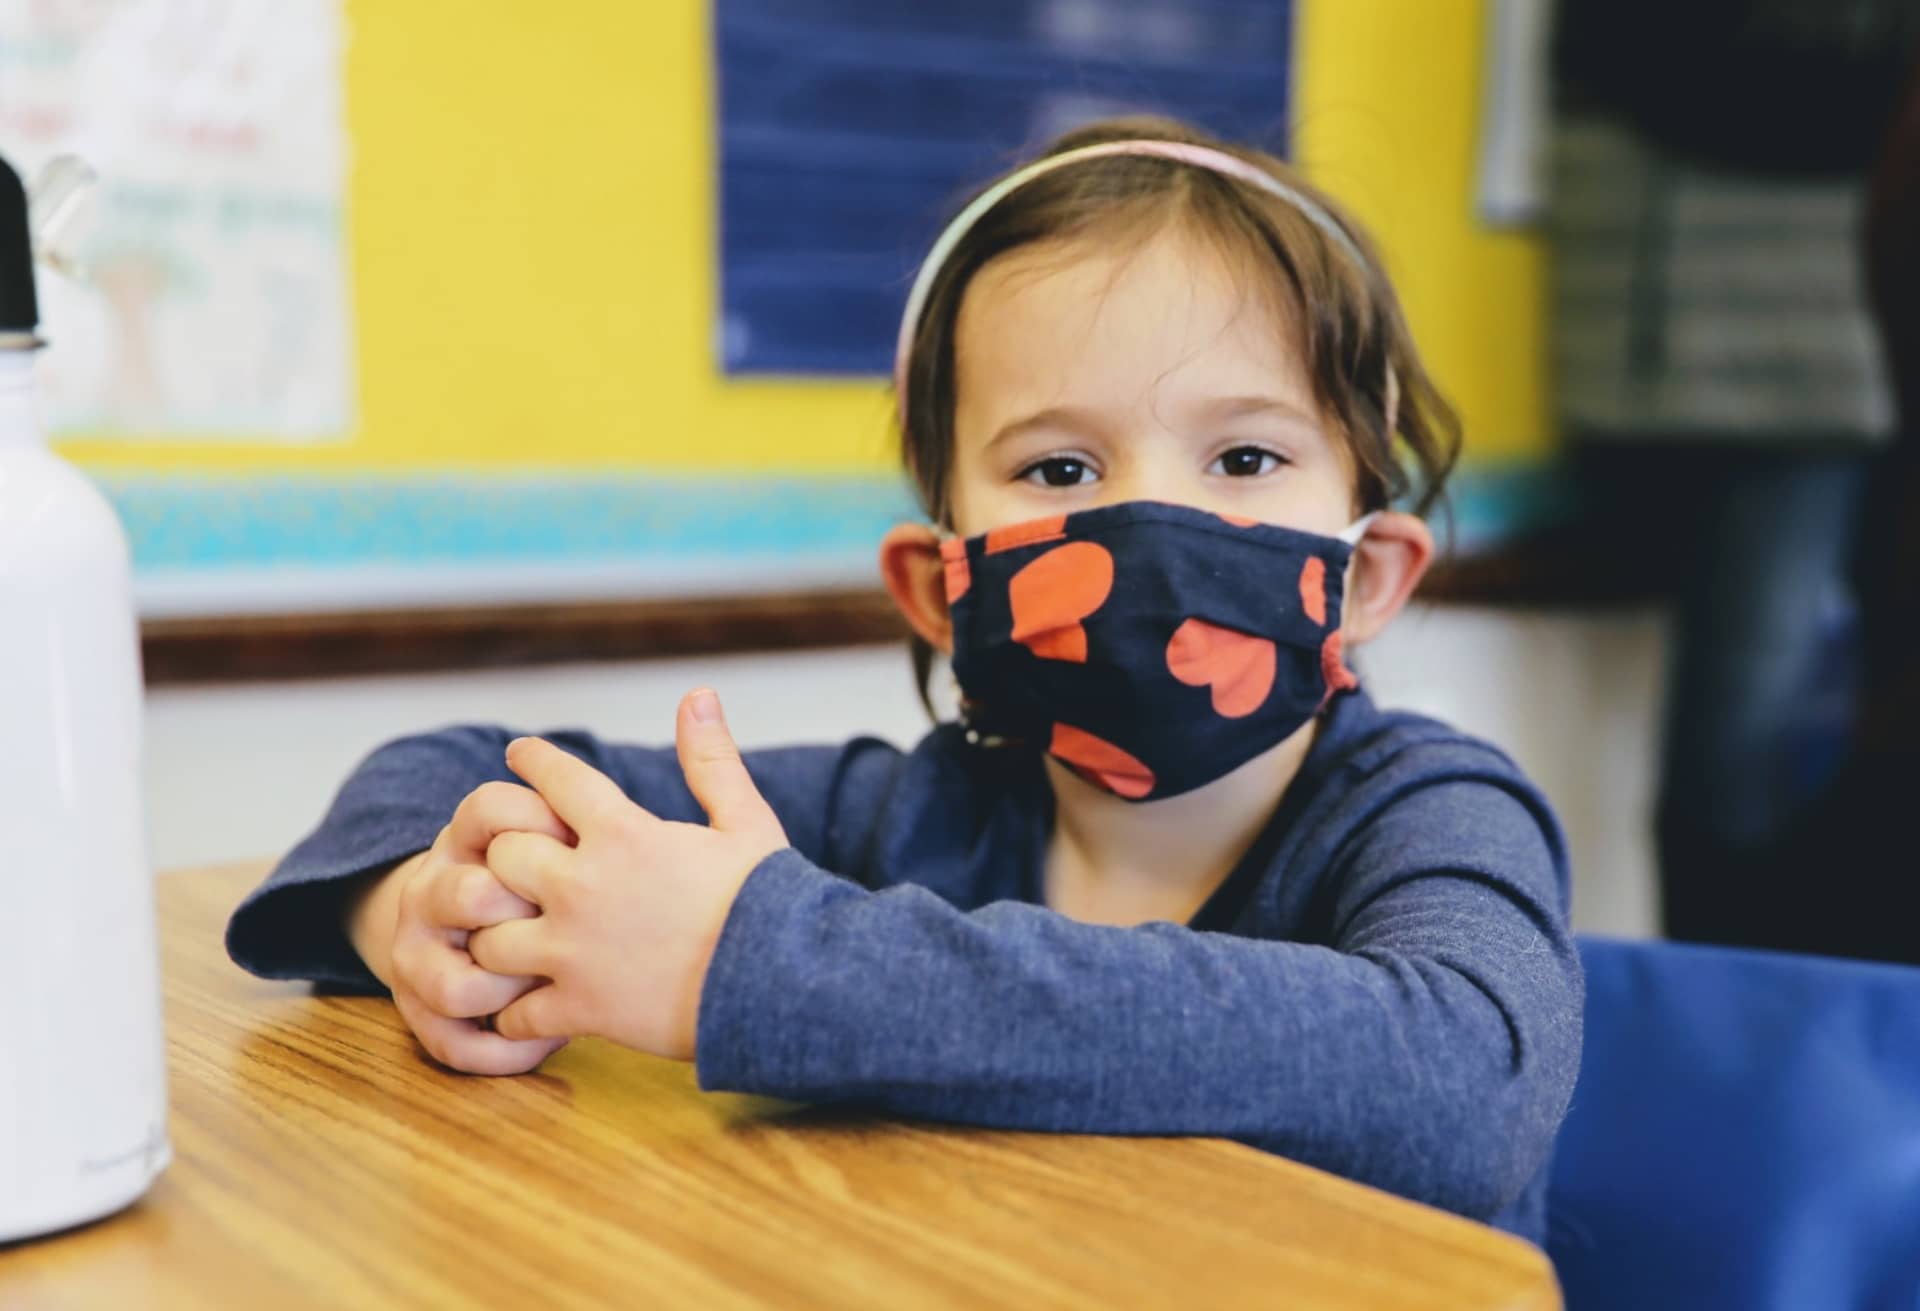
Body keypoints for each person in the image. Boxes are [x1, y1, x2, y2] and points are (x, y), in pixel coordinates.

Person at [226, 117, 1584, 1244]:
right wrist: (413, 909)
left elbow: (1465, 1089)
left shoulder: (1437, 810)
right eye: (1059, 469)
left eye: (1243, 460)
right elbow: (437, 773)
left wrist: (741, 962)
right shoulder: (906, 820)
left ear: (1366, 573)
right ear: (943, 590)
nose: (1149, 524)